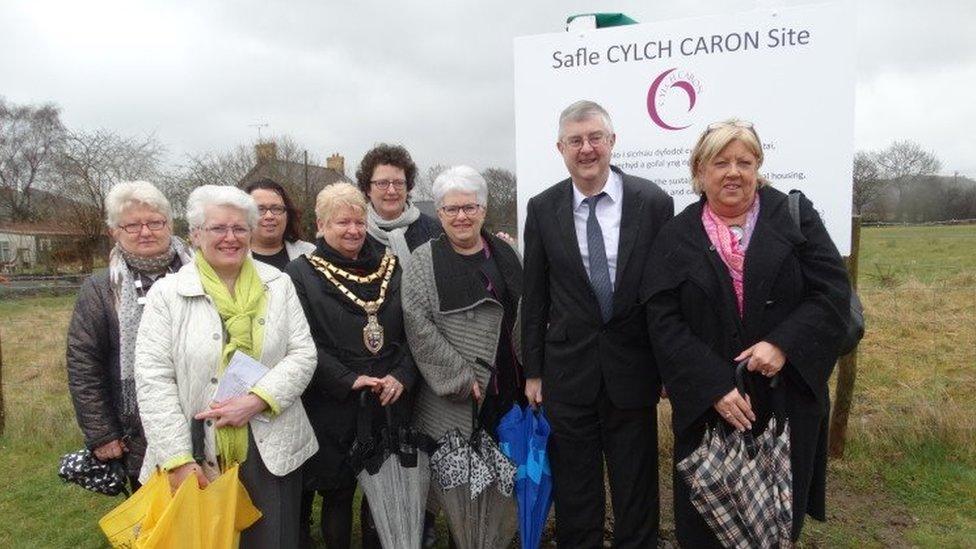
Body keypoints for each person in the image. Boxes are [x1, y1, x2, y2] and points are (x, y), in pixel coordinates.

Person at [644, 119, 851, 546]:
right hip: (708, 409)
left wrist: (783, 343)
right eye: (721, 162)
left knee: (775, 526)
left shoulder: (794, 216)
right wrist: (714, 386)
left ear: (758, 167)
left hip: (784, 403)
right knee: (707, 527)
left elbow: (832, 292)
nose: (733, 172)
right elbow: (662, 319)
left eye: (745, 161)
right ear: (700, 171)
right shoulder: (676, 234)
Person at [521, 100, 674, 548]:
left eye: (594, 138)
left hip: (634, 369)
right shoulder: (543, 207)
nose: (586, 149)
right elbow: (536, 297)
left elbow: (662, 296)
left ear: (612, 142)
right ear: (560, 148)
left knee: (637, 492)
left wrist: (665, 368)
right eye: (575, 141)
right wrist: (533, 371)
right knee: (576, 494)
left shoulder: (653, 202)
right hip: (568, 374)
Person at [135, 185, 318, 547]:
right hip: (197, 447)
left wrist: (257, 399)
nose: (230, 238)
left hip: (270, 443)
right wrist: (176, 459)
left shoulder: (278, 284)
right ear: (196, 234)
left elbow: (303, 353)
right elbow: (153, 380)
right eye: (218, 228)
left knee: (273, 538)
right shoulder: (167, 295)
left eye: (240, 229)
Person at [286, 182, 418, 549]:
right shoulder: (300, 274)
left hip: (391, 398)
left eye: (359, 221)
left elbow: (416, 329)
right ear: (321, 224)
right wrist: (347, 379)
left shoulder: (391, 266)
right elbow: (302, 341)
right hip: (334, 401)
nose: (354, 230)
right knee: (338, 493)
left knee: (385, 492)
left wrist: (402, 375)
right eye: (342, 222)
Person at [402, 166, 525, 543]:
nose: (461, 216)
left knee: (502, 476)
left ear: (484, 209)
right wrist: (458, 377)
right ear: (439, 214)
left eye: (470, 207)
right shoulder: (423, 261)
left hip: (507, 388)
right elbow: (416, 323)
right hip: (460, 394)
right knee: (461, 486)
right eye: (451, 209)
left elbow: (524, 309)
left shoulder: (505, 251)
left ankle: (497, 537)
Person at [66, 181, 193, 491]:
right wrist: (102, 433)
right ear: (114, 232)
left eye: (154, 222)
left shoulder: (202, 273)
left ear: (169, 224)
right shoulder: (101, 289)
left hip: (199, 413)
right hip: (137, 430)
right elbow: (84, 365)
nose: (145, 232)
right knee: (155, 522)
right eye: (133, 225)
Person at [357, 143, 442, 270]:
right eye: (382, 183)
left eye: (398, 183)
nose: (391, 191)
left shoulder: (434, 232)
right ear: (368, 189)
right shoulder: (356, 233)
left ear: (408, 187)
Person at [245, 178, 315, 270]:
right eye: (260, 209)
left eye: (276, 209)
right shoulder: (231, 258)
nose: (269, 216)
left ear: (287, 215)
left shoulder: (310, 254)